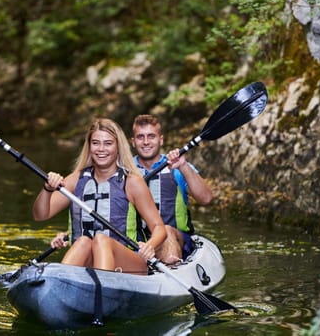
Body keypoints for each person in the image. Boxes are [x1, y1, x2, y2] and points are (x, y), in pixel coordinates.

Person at [33, 118, 166, 274]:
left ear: (118, 147)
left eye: (108, 143)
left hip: (130, 261)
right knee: (83, 241)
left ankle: (103, 288)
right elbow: (40, 215)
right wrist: (47, 189)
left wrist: (150, 246)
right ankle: (62, 282)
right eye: (96, 143)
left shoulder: (132, 182)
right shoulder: (76, 179)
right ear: (89, 147)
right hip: (89, 259)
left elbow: (159, 228)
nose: (101, 149)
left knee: (101, 240)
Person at [131, 114, 213, 264]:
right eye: (140, 137)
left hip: (174, 236)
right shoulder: (125, 171)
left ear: (160, 139)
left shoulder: (176, 167)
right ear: (133, 142)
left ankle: (172, 268)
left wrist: (183, 166)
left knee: (165, 231)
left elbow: (206, 198)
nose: (146, 142)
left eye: (151, 136)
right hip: (137, 241)